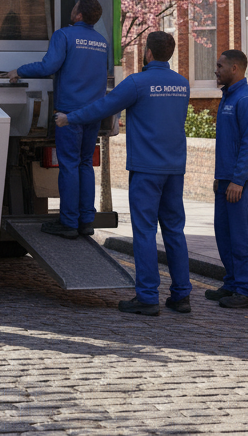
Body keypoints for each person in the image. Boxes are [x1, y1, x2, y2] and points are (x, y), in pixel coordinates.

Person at [64, 31, 191, 316]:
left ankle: (147, 296)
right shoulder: (182, 84)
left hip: (146, 168)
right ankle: (181, 296)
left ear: (148, 53)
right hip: (174, 168)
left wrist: (69, 118)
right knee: (174, 230)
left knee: (144, 232)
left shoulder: (137, 83)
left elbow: (102, 107)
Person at [7, 0, 109, 238]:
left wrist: (19, 71)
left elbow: (48, 67)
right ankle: (86, 221)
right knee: (85, 164)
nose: (71, 10)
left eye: (74, 7)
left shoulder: (64, 35)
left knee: (70, 165)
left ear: (79, 15)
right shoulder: (102, 42)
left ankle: (69, 222)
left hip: (69, 113)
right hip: (93, 112)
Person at [209, 49, 248, 309]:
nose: (216, 70)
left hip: (239, 182)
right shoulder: (228, 97)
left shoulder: (247, 100)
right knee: (224, 234)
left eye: (220, 66)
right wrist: (220, 178)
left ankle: (246, 291)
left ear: (234, 68)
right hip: (226, 179)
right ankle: (232, 283)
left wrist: (238, 180)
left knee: (241, 236)